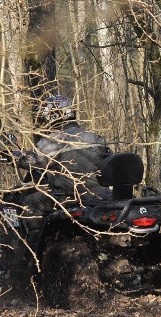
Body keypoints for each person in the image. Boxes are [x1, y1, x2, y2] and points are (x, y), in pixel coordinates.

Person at [20, 94, 110, 247]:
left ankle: (34, 249)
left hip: (68, 196)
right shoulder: (94, 138)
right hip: (101, 194)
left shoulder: (51, 141)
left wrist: (18, 157)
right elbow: (108, 160)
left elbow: (32, 162)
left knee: (30, 202)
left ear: (51, 115)